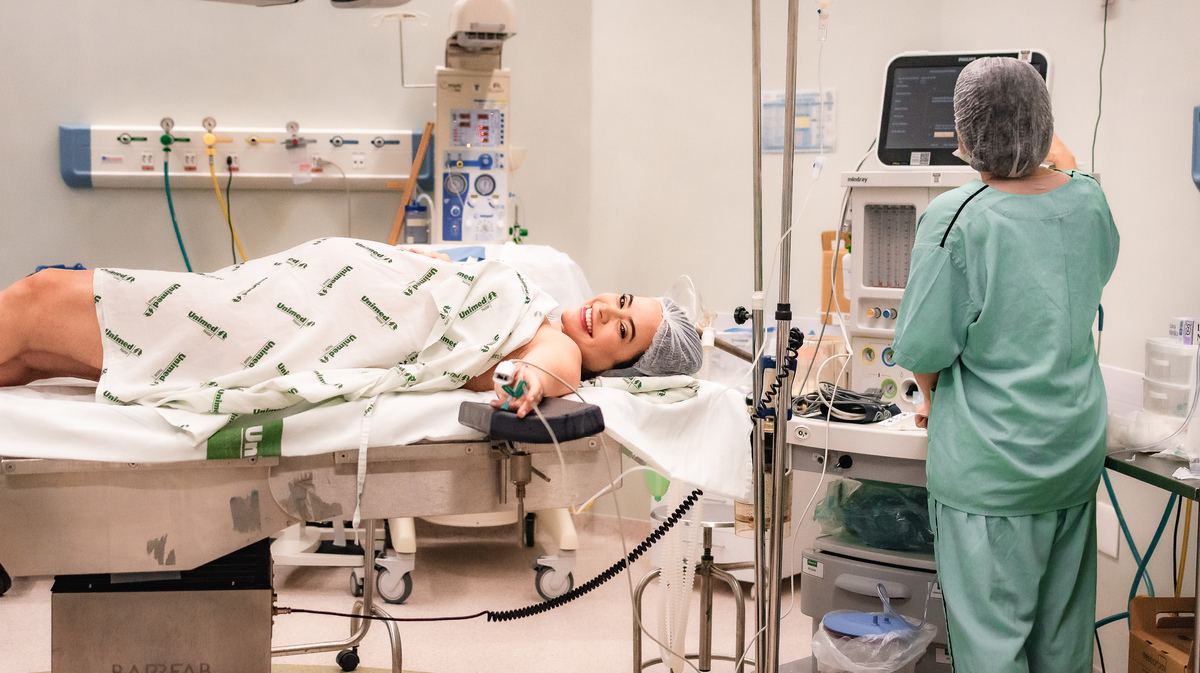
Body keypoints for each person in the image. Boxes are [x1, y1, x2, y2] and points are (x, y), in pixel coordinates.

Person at [890, 56, 1119, 673]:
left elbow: (925, 350)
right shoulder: (1088, 201)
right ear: (1043, 121)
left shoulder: (956, 218)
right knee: (1061, 649)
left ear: (963, 138)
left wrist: (930, 400)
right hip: (1071, 462)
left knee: (992, 659)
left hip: (992, 479)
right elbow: (1085, 268)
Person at [0, 239, 703, 420]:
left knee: (40, 300)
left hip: (281, 324)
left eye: (621, 334)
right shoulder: (541, 300)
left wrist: (528, 383)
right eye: (623, 302)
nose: (606, 314)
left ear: (615, 367)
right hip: (292, 291)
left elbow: (549, 375)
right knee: (32, 358)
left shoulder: (556, 349)